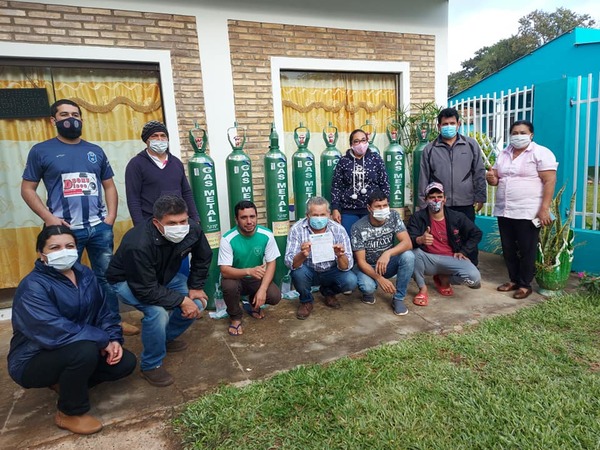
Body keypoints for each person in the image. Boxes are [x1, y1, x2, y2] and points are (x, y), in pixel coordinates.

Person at [20, 99, 139, 336]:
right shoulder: (41, 151)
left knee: (106, 278)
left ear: (82, 119)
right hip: (63, 231)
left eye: (75, 114)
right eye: (64, 115)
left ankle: (113, 322)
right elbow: (27, 189)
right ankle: (74, 326)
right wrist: (49, 218)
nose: (70, 119)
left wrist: (111, 217)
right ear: (53, 120)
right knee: (66, 280)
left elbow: (109, 186)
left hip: (99, 228)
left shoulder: (95, 151)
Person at [7, 226, 137, 435]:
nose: (64, 251)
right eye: (55, 247)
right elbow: (53, 330)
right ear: (42, 254)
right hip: (33, 358)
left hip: (76, 347)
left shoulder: (84, 273)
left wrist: (112, 339)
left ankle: (65, 383)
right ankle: (69, 412)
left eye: (69, 246)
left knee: (124, 363)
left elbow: (104, 312)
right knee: (83, 351)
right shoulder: (33, 286)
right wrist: (100, 339)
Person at [106, 195, 212, 387]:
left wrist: (195, 287)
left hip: (164, 277)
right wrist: (181, 300)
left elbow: (203, 256)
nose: (179, 227)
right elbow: (145, 289)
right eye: (172, 223)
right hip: (128, 281)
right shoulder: (137, 243)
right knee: (157, 313)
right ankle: (151, 365)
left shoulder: (192, 229)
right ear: (156, 222)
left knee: (198, 303)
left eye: (182, 221)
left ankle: (164, 338)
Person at [486, 119, 558, 299]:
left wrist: (544, 208)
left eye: (522, 133)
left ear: (531, 135)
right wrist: (491, 178)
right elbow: (496, 178)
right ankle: (514, 279)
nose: (518, 136)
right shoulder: (504, 153)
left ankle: (525, 284)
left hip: (528, 210)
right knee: (508, 247)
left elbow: (549, 181)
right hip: (505, 209)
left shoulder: (540, 153)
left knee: (527, 248)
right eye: (515, 133)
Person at [418, 107, 486, 265]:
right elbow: (423, 177)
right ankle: (447, 270)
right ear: (438, 126)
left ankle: (470, 267)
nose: (448, 126)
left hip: (466, 201)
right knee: (445, 237)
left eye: (452, 123)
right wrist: (422, 204)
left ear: (459, 124)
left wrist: (480, 196)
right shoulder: (430, 149)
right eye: (444, 124)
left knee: (468, 235)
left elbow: (479, 171)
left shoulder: (470, 145)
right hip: (441, 205)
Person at [407, 182, 482, 307]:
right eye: (432, 197)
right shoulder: (418, 217)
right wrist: (420, 239)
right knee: (411, 254)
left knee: (474, 279)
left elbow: (476, 233)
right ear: (426, 200)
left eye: (439, 197)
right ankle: (422, 288)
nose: (436, 200)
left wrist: (464, 251)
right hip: (428, 258)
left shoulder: (457, 217)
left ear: (445, 199)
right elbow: (408, 239)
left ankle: (445, 279)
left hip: (451, 258)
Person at [284, 196, 357, 320]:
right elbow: (289, 263)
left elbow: (347, 265)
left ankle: (329, 292)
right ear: (307, 216)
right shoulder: (297, 229)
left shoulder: (338, 229)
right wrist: (302, 254)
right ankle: (306, 301)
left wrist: (340, 255)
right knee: (298, 273)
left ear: (329, 214)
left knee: (350, 280)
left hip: (331, 270)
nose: (319, 218)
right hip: (309, 271)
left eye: (322, 214)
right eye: (315, 215)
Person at [218, 201, 281, 336]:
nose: (249, 221)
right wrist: (248, 271)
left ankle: (253, 304)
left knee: (274, 296)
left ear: (257, 217)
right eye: (244, 217)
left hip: (255, 278)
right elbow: (224, 270)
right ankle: (235, 318)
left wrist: (263, 290)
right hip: (236, 277)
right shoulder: (228, 239)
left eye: (252, 216)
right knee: (229, 286)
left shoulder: (267, 234)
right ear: (236, 219)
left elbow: (271, 263)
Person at [350, 190, 415, 315]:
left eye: (385, 205)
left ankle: (398, 298)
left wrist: (388, 253)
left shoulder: (393, 216)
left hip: (386, 263)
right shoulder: (358, 227)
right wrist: (379, 278)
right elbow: (361, 261)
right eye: (378, 206)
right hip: (368, 267)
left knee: (408, 256)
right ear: (369, 208)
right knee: (368, 286)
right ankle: (368, 293)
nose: (382, 209)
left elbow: (407, 243)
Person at [125, 120, 200, 226]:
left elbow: (186, 192)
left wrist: (195, 218)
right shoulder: (136, 164)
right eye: (154, 136)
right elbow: (133, 199)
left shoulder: (176, 163)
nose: (160, 139)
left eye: (163, 135)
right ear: (147, 140)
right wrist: (140, 226)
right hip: (152, 223)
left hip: (178, 223)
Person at [330, 129, 390, 235]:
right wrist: (335, 209)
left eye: (363, 140)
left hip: (372, 208)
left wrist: (384, 205)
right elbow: (336, 186)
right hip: (349, 209)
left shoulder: (376, 159)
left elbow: (384, 183)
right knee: (350, 239)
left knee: (371, 240)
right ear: (351, 144)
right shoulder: (343, 161)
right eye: (356, 141)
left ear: (367, 141)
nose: (360, 144)